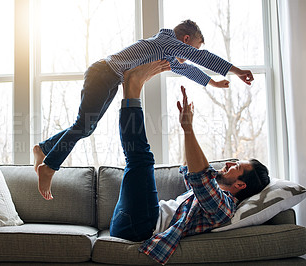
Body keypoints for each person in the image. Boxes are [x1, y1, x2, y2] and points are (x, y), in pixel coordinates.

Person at [33, 19, 255, 200]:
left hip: (110, 77)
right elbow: (202, 57)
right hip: (103, 73)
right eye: (190, 49)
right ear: (185, 40)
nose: (188, 55)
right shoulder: (166, 42)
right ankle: (49, 166)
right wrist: (235, 70)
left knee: (85, 128)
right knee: (84, 125)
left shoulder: (168, 53)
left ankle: (44, 148)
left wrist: (213, 83)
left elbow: (188, 69)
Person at [109, 62, 270, 265]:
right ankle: (131, 87)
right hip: (131, 219)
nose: (228, 163)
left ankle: (132, 88)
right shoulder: (202, 197)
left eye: (236, 167)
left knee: (140, 159)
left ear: (240, 185)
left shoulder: (224, 209)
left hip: (141, 227)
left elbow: (201, 178)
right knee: (139, 159)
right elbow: (190, 171)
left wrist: (188, 128)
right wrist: (185, 126)